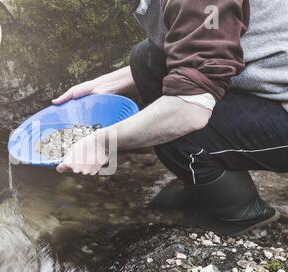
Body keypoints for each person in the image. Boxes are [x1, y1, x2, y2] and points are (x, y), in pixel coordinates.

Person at [53, 0, 288, 235]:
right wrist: (101, 85)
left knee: (175, 133)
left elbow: (188, 113)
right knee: (146, 58)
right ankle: (206, 183)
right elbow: (196, 48)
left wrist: (103, 142)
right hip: (271, 75)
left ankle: (243, 212)